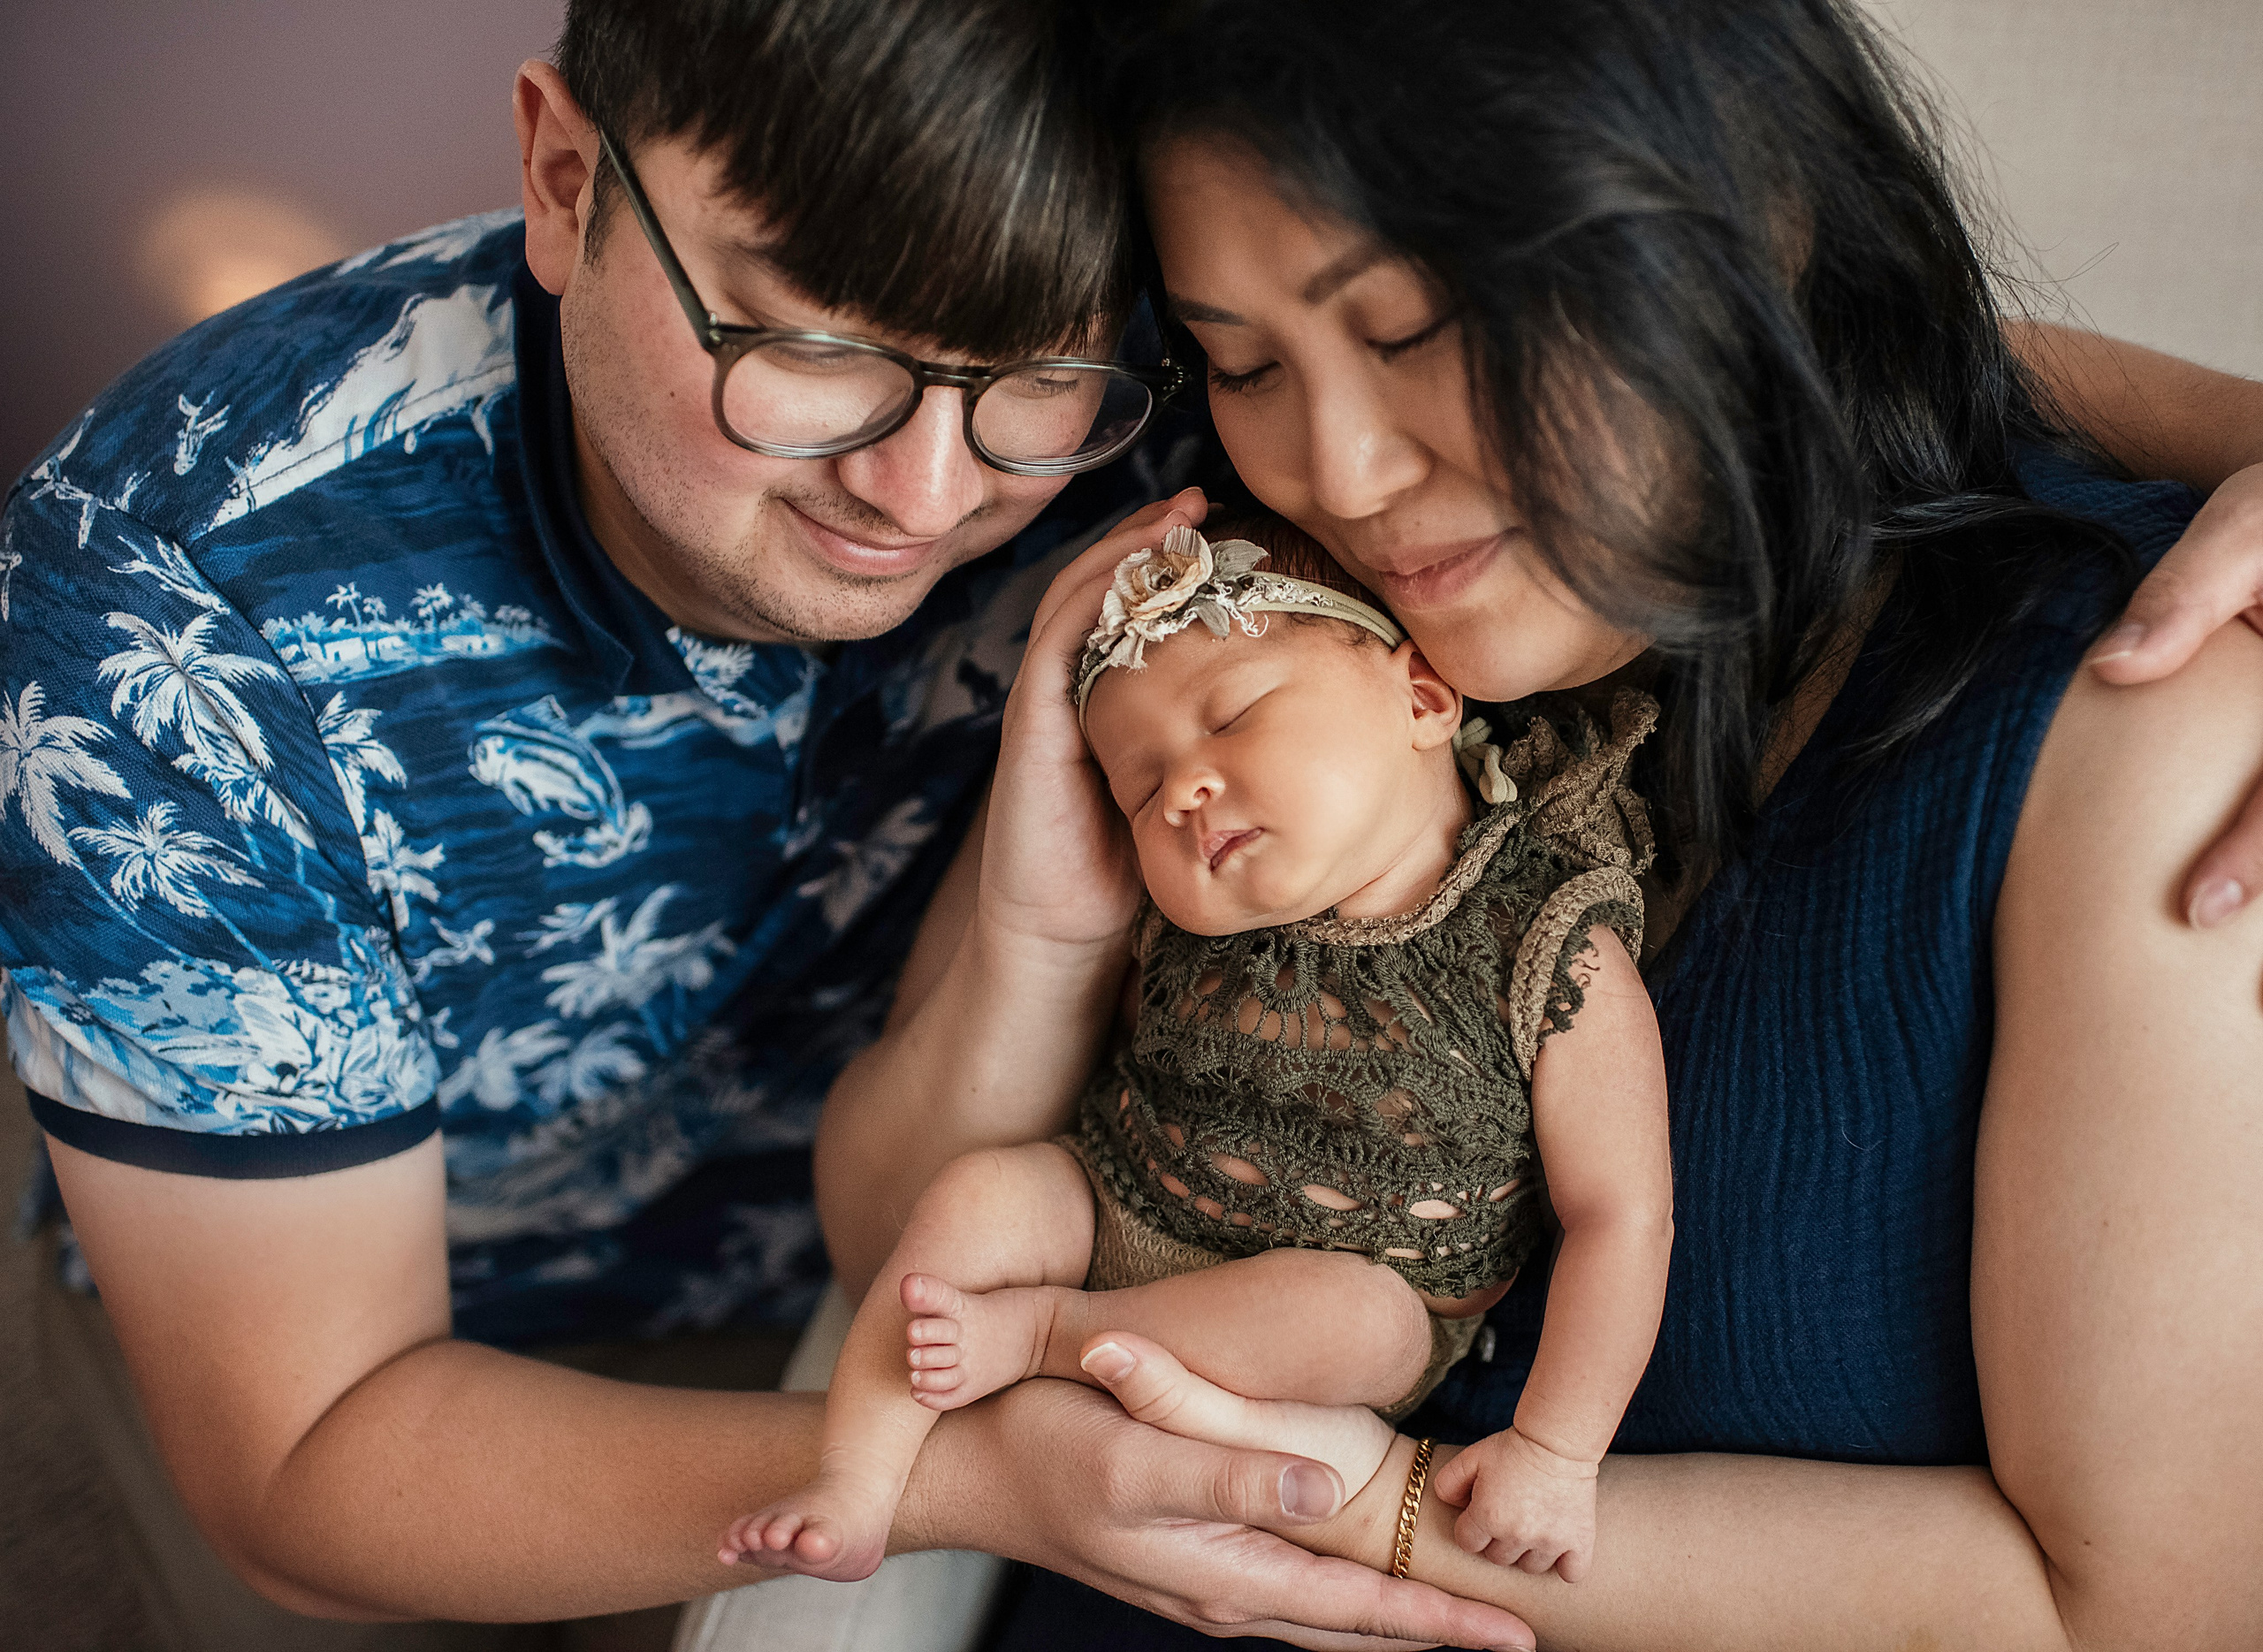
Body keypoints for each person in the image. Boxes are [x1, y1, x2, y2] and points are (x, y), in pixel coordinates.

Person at [2, 2, 2259, 1648]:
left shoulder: (1213, 402)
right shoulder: (162, 623)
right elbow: (311, 1468)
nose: (917, 491)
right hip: (437, 1327)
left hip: (965, 1283)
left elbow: (1706, 312)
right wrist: (1005, 1451)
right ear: (567, 182)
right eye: (800, 358)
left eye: (1028, 390)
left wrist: (2225, 425)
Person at [822, 1, 2263, 1647]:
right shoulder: (1274, 627)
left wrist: (1362, 1508)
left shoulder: (2141, 735)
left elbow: (2146, 1609)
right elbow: (897, 1262)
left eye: (1424, 324)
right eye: (1245, 362)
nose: (1347, 469)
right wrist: (1048, 923)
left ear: (1737, 224)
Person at [724, 519, 1671, 1585]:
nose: (1180, 792)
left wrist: (1555, 1451)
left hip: (1312, 1311)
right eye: (1138, 787)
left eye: (1233, 715)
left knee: (1364, 1321)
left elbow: (1621, 1215)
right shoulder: (1176, 923)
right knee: (982, 1195)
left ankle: (1049, 1335)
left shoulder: (1542, 942)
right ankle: (857, 1482)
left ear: (1421, 699)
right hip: (1118, 1198)